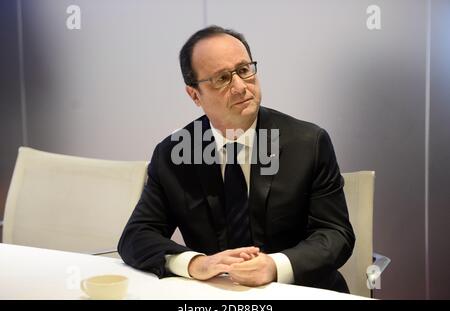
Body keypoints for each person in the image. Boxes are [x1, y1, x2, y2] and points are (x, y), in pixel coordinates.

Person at [118, 25, 355, 293]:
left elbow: (336, 235)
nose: (241, 87)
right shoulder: (175, 153)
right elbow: (135, 237)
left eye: (244, 70)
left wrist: (274, 266)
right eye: (222, 79)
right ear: (195, 94)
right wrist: (196, 263)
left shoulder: (308, 143)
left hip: (300, 291)